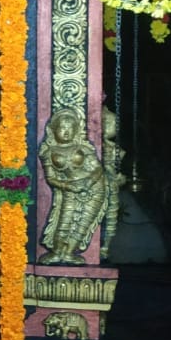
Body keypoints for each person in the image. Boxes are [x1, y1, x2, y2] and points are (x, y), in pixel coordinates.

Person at [39, 109, 105, 265]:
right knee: (65, 221)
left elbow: (97, 169)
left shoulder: (83, 148)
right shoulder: (49, 152)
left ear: (76, 130)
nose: (66, 132)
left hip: (94, 187)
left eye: (70, 128)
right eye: (62, 128)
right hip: (70, 188)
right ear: (53, 129)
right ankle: (56, 252)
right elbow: (50, 178)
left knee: (83, 222)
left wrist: (88, 183)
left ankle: (69, 252)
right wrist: (68, 186)